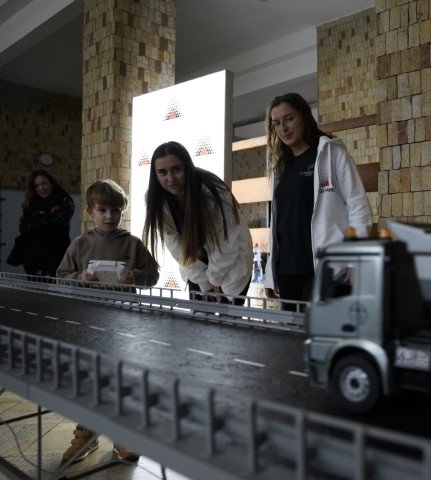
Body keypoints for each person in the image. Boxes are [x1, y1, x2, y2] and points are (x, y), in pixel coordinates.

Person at [56, 179, 159, 464]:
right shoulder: (80, 244)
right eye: (102, 210)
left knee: (120, 376)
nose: (109, 216)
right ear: (90, 211)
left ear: (123, 211)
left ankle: (121, 433)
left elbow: (153, 275)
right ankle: (86, 432)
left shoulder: (133, 243)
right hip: (88, 322)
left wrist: (135, 276)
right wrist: (79, 278)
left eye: (115, 210)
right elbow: (61, 275)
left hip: (124, 324)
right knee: (88, 375)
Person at [263, 93, 372, 308]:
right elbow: (277, 224)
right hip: (286, 269)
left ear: (304, 117)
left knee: (325, 327)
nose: (283, 128)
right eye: (276, 123)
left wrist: (355, 261)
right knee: (291, 329)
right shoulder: (280, 167)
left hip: (326, 267)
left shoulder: (331, 153)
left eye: (289, 119)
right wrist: (270, 273)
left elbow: (358, 206)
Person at [142, 141, 253, 301]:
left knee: (228, 314)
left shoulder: (213, 190)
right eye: (162, 172)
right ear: (155, 175)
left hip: (230, 259)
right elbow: (176, 245)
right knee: (199, 313)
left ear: (187, 167)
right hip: (195, 262)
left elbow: (226, 242)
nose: (171, 178)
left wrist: (215, 279)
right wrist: (204, 282)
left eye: (177, 169)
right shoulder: (154, 198)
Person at [16, 169, 75, 277]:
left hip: (57, 255)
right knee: (35, 287)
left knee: (58, 286)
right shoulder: (29, 204)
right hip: (33, 259)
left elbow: (62, 220)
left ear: (51, 183)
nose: (41, 188)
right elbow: (23, 228)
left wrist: (37, 220)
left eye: (44, 183)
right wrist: (50, 216)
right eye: (37, 185)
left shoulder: (64, 199)